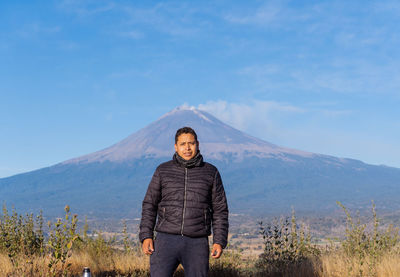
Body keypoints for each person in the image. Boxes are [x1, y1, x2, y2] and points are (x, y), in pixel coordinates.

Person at [139, 126, 229, 277]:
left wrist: (219, 241)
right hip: (165, 240)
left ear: (197, 145)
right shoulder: (163, 170)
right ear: (176, 147)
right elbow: (150, 204)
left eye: (191, 143)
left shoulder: (211, 172)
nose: (187, 148)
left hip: (197, 242)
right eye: (182, 144)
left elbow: (220, 210)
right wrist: (146, 235)